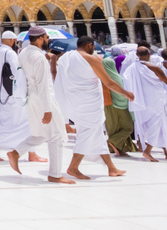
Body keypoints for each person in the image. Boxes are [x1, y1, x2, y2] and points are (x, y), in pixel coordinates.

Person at [56, 35, 131, 179]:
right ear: (90, 45)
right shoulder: (92, 59)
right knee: (87, 133)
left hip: (77, 102)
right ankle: (73, 167)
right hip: (89, 103)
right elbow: (108, 82)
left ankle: (111, 168)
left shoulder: (66, 58)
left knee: (97, 135)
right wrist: (126, 93)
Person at [6, 26, 73, 183]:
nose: (48, 40)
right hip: (43, 98)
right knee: (56, 136)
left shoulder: (24, 53)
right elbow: (43, 84)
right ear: (41, 38)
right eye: (47, 37)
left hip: (31, 97)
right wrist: (47, 109)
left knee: (42, 134)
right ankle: (55, 175)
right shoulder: (39, 57)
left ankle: (16, 153)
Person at [0, 32, 39, 163]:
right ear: (12, 40)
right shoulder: (10, 53)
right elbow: (17, 73)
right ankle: (31, 153)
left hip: (1, 93)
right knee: (28, 121)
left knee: (2, 120)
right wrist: (23, 92)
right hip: (14, 94)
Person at [122, 45, 167, 162]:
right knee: (157, 125)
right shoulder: (154, 67)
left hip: (141, 102)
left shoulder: (131, 68)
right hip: (156, 101)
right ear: (149, 55)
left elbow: (125, 81)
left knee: (160, 125)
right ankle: (148, 151)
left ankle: (164, 151)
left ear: (137, 55)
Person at [101, 55, 136, 156]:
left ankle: (119, 149)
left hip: (107, 105)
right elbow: (120, 95)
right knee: (128, 127)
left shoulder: (103, 77)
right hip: (119, 107)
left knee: (114, 128)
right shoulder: (115, 77)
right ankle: (112, 141)